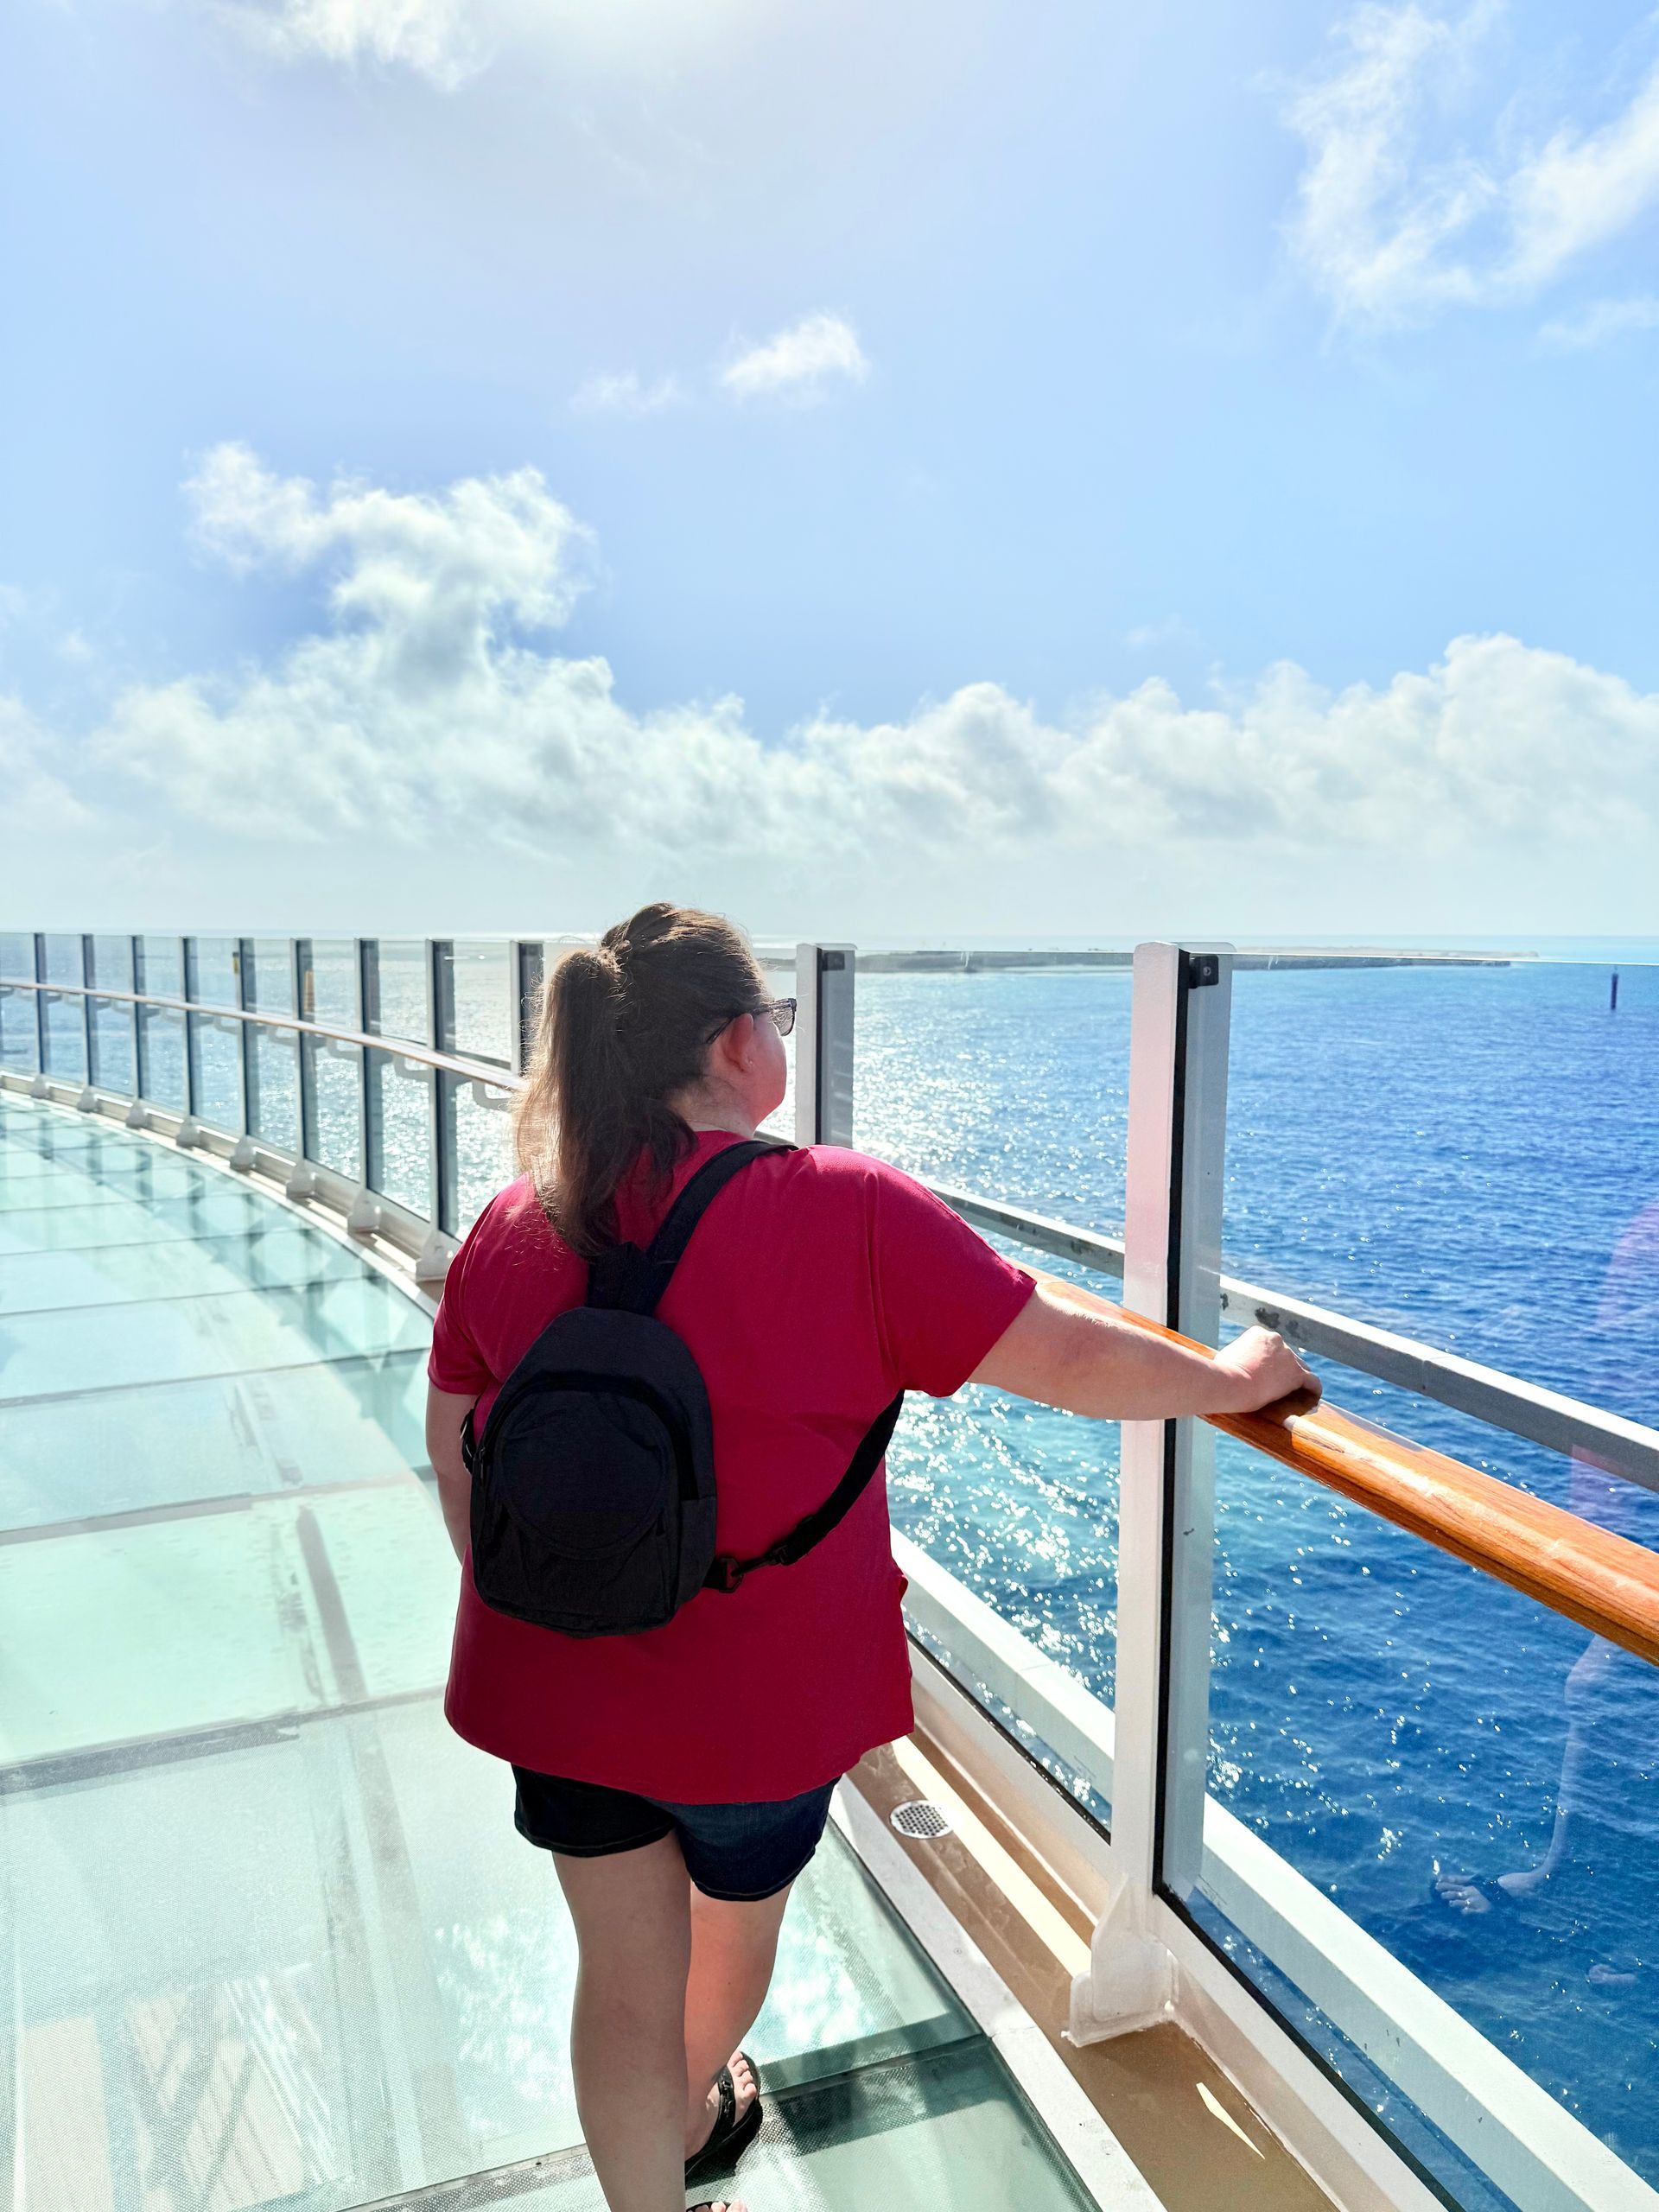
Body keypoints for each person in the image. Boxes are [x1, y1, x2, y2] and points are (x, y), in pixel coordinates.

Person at [424, 902, 1314, 2212]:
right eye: (775, 1019)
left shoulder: (519, 1216)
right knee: (733, 1934)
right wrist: (1230, 1378)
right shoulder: (842, 1211)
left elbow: (458, 1434)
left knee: (616, 1977)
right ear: (739, 1046)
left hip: (562, 1689)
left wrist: (543, 1605)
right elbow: (1067, 1356)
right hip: (756, 1709)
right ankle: (692, 2106)